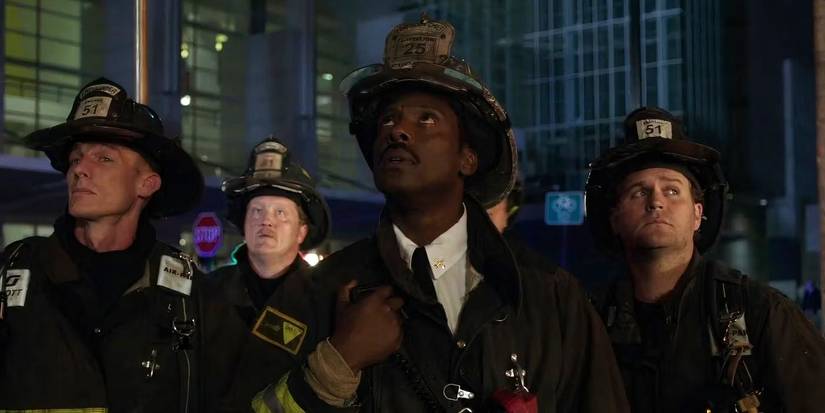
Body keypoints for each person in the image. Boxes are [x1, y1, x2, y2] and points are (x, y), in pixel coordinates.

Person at [236, 16, 628, 413]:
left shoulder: (549, 297)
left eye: (426, 119)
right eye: (388, 119)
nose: (397, 131)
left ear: (467, 158)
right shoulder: (317, 291)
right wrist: (336, 365)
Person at [586, 106, 825, 412]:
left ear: (697, 215)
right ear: (614, 219)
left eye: (672, 191)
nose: (656, 202)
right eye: (638, 192)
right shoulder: (586, 322)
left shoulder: (758, 313)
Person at [0, 78, 209, 411]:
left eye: (104, 159)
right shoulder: (15, 272)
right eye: (76, 159)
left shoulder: (186, 293)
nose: (80, 169)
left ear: (147, 184)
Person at [206, 136, 330, 405]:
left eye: (281, 213)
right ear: (244, 224)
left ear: (302, 231)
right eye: (257, 211)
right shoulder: (205, 293)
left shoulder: (326, 301)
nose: (267, 222)